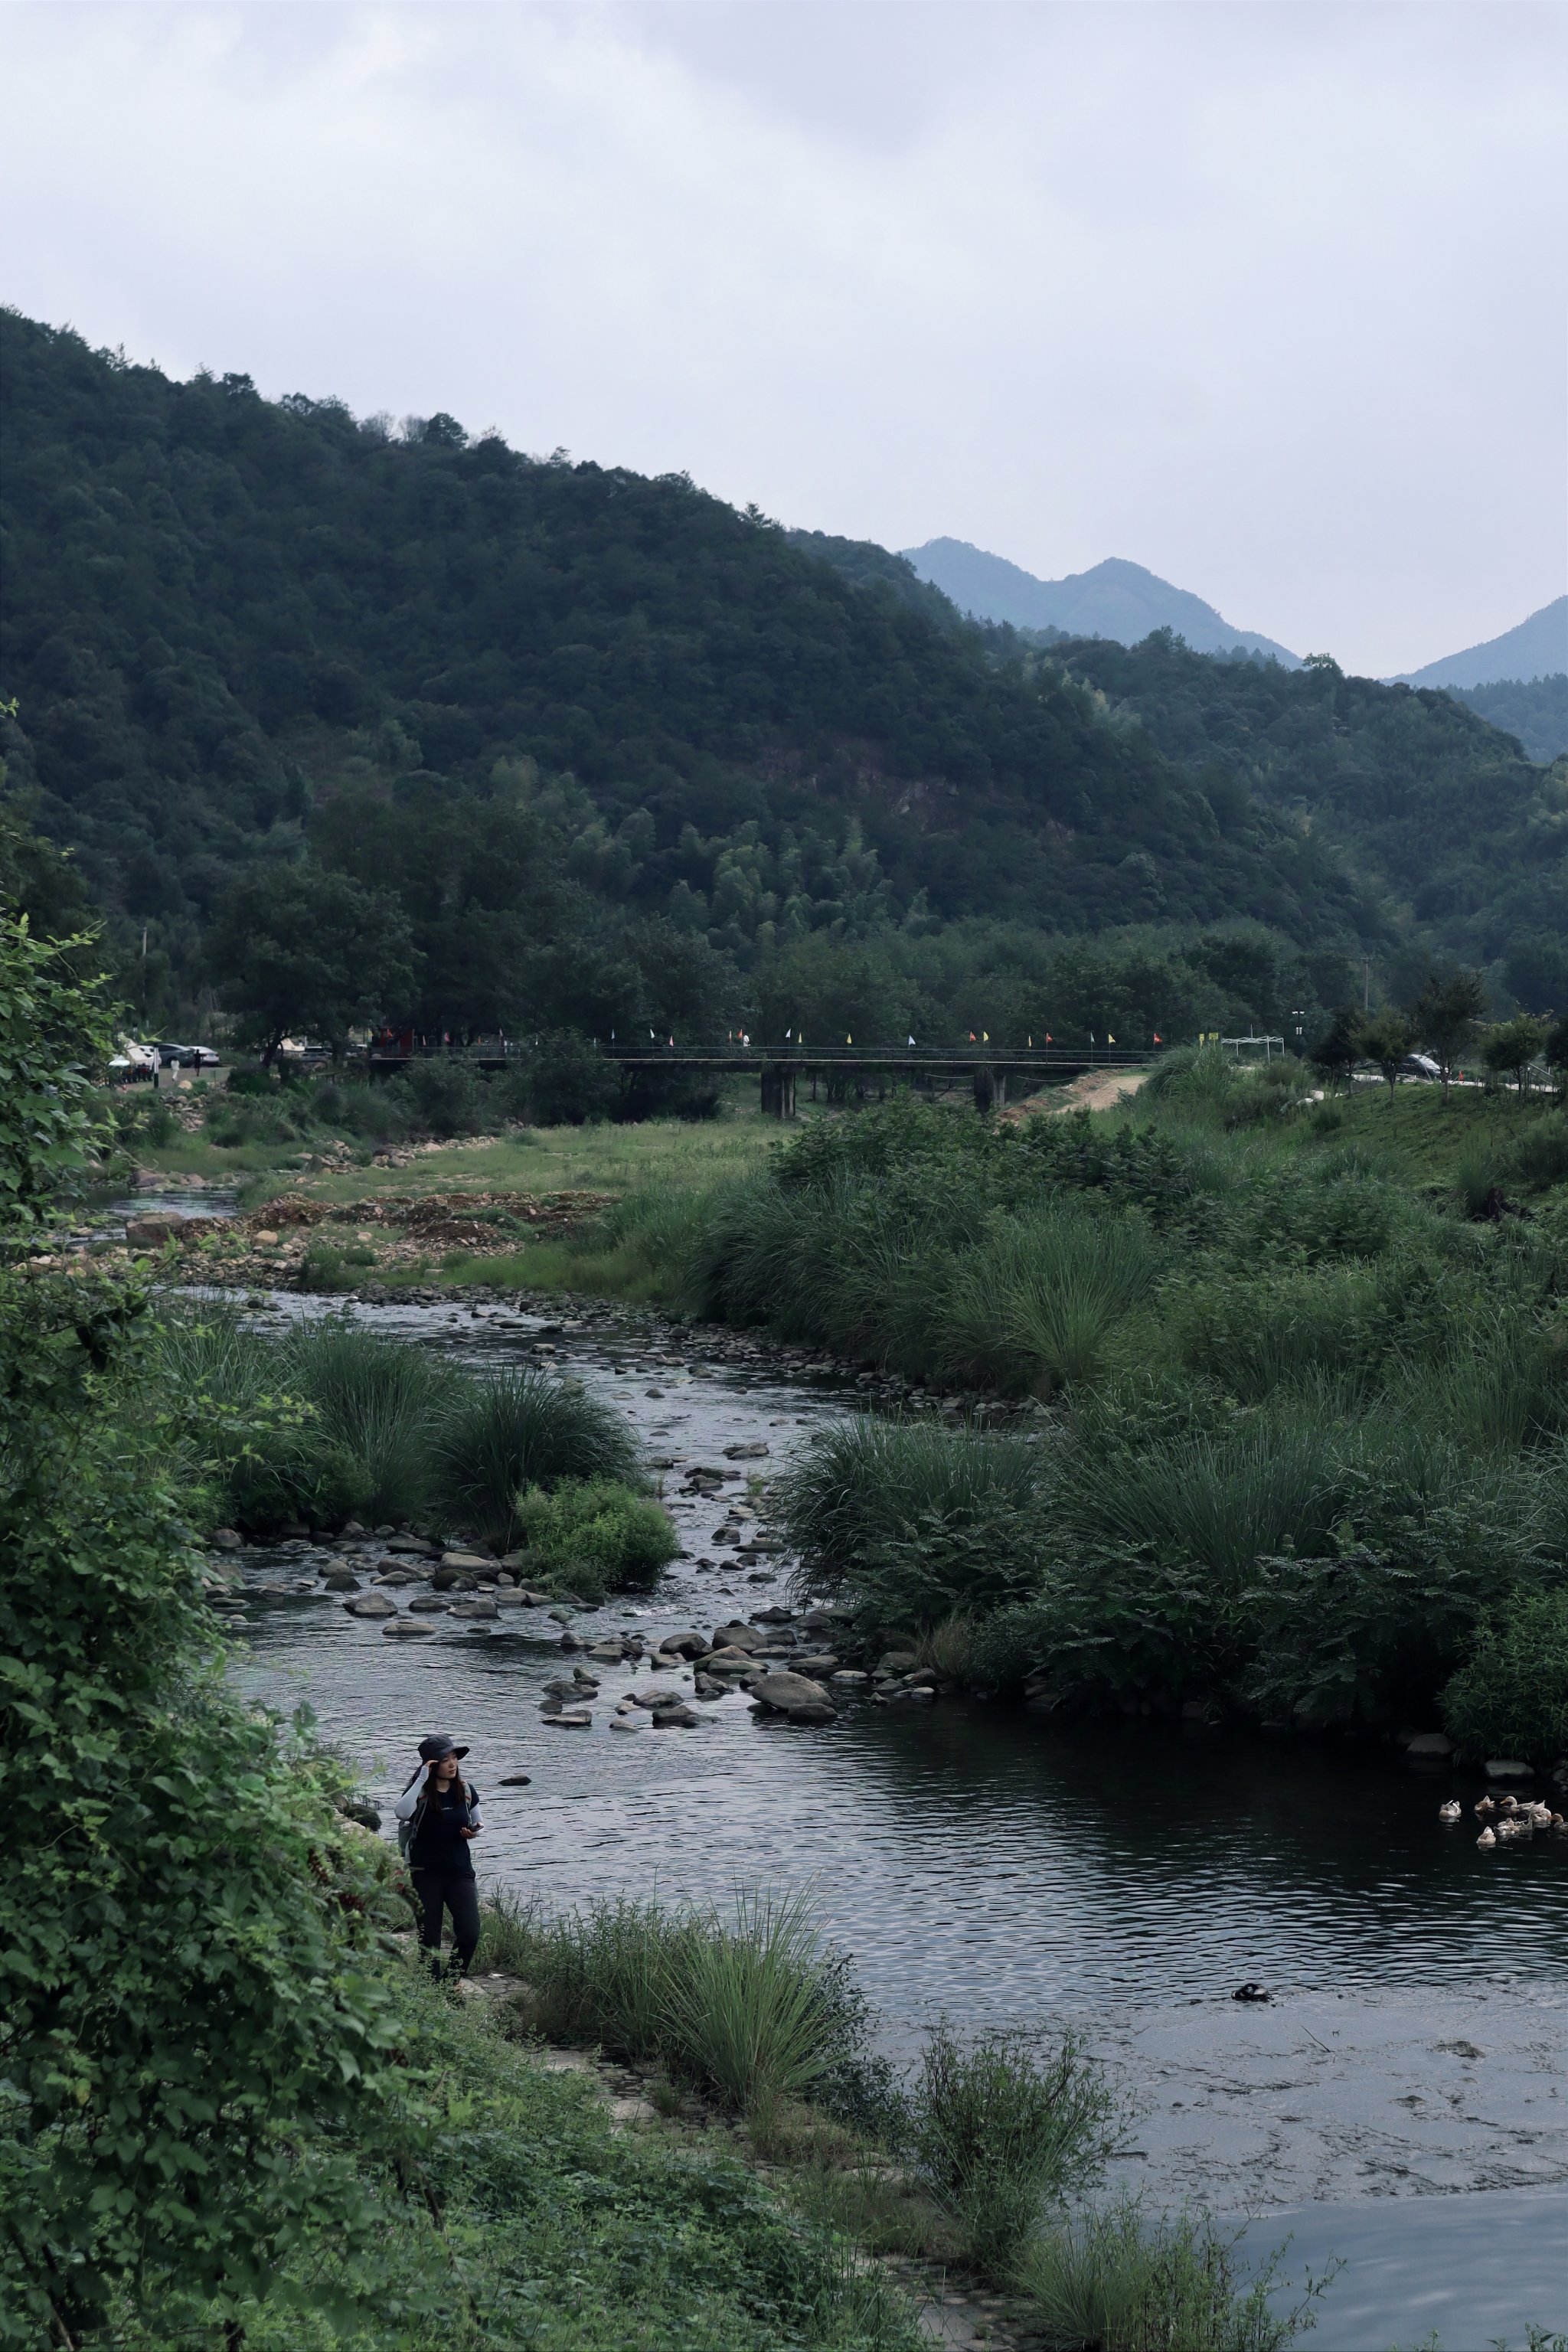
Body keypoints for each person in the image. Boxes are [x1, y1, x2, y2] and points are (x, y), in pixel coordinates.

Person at [395, 1733, 482, 1978]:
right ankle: (431, 1989)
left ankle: (451, 1982)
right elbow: (401, 1813)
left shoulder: (465, 1790)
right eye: (445, 1760)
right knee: (429, 1938)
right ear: (432, 1765)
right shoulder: (420, 1793)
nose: (453, 1764)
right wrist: (422, 1778)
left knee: (469, 1932)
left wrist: (473, 1833)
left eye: (454, 1758)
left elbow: (479, 1822)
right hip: (425, 1875)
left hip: (459, 1872)